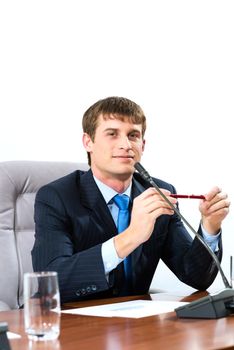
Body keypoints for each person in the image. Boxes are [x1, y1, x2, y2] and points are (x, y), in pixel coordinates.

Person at [32, 96, 230, 303]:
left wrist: (210, 226)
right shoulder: (56, 196)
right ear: (88, 142)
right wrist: (133, 236)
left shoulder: (158, 192)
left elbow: (196, 277)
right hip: (68, 322)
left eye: (133, 135)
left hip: (134, 325)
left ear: (142, 145)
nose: (126, 145)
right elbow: (51, 282)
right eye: (112, 134)